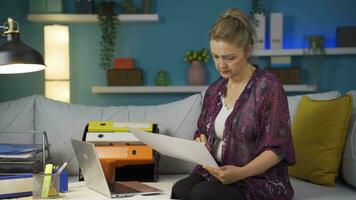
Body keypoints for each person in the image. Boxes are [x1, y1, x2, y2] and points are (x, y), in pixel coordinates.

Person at [171, 8, 295, 200]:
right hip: (219, 174)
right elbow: (201, 132)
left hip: (256, 179)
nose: (221, 65)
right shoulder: (214, 90)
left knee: (202, 194)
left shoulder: (268, 87)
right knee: (180, 189)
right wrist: (201, 141)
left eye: (230, 58)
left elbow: (278, 150)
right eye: (215, 56)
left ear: (248, 50)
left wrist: (240, 173)